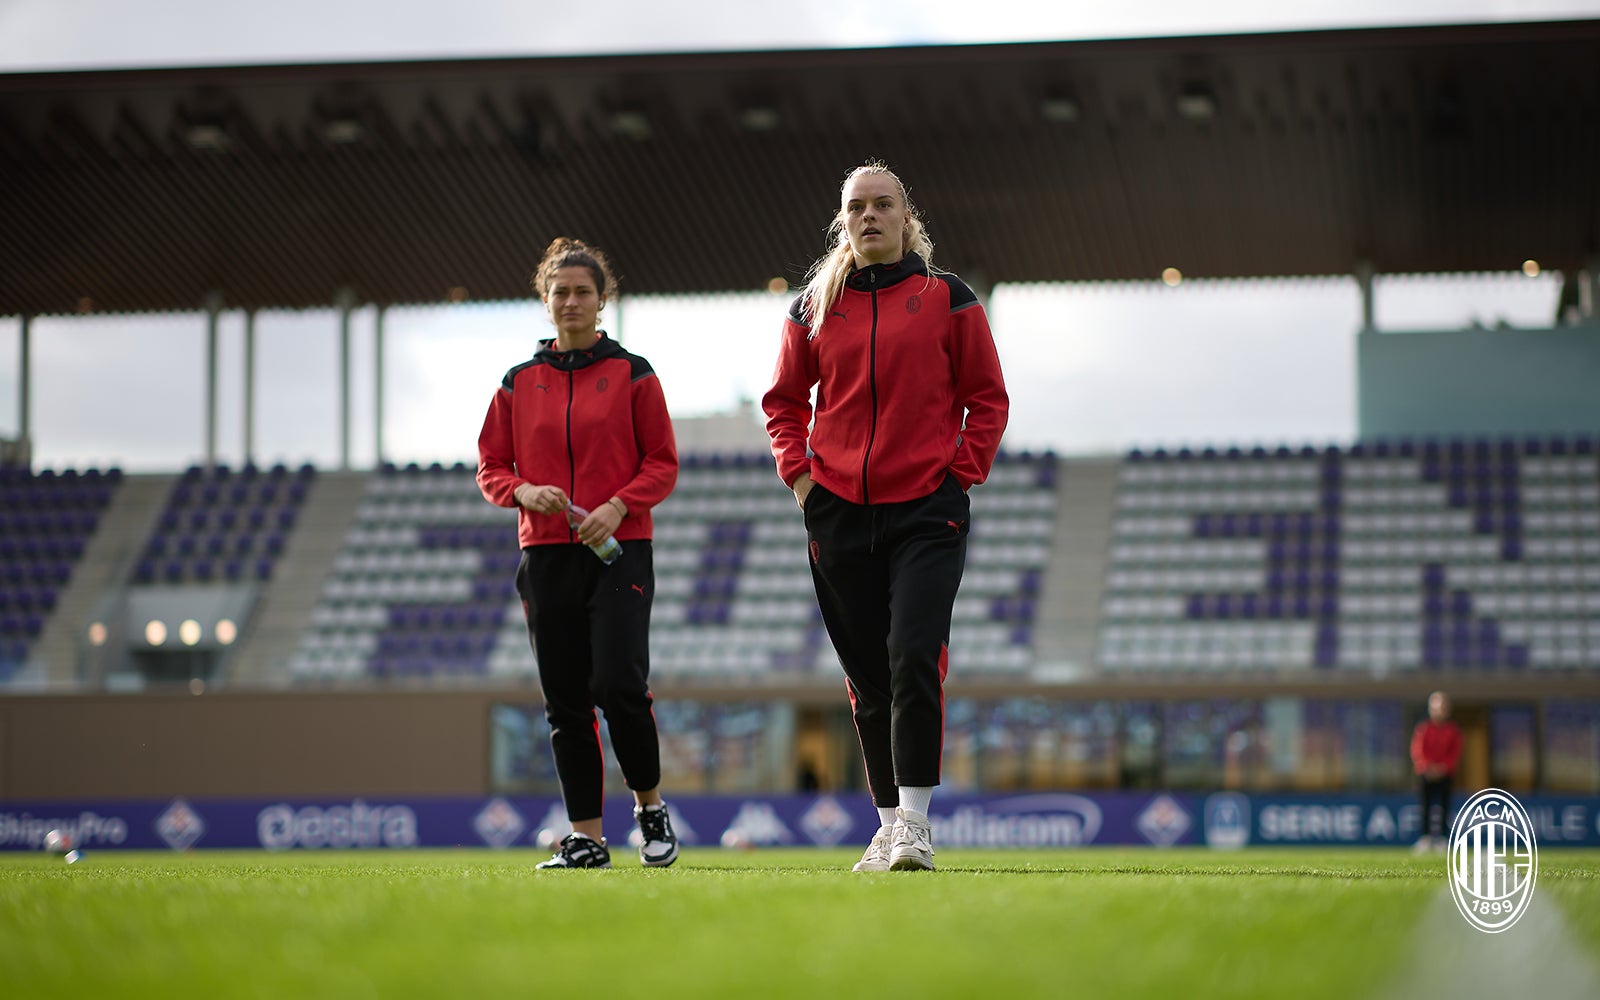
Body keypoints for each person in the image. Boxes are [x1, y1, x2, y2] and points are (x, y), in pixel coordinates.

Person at [762, 161, 1009, 872]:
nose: (869, 216)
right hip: (837, 513)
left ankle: (918, 825)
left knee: (912, 656)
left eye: (882, 205)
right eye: (856, 207)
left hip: (926, 511)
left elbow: (987, 399)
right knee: (869, 679)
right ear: (843, 222)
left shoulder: (947, 298)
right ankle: (886, 826)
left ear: (907, 218)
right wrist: (805, 483)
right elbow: (782, 402)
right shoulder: (813, 305)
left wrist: (957, 478)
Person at [477, 237, 680, 869]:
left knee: (620, 684)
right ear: (546, 300)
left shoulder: (634, 373)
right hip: (545, 557)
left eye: (582, 291)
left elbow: (663, 464)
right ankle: (587, 837)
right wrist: (523, 491)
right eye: (560, 292)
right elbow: (490, 467)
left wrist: (617, 505)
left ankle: (650, 809)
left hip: (620, 550)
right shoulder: (517, 384)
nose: (571, 302)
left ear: (602, 299)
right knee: (565, 700)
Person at [1410, 690, 1462, 853]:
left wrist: (1443, 767)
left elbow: (1455, 752)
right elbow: (1417, 750)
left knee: (1445, 806)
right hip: (1426, 774)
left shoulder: (1453, 731)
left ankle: (1442, 838)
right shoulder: (1424, 728)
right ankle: (1425, 838)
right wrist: (1427, 767)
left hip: (1445, 774)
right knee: (1425, 805)